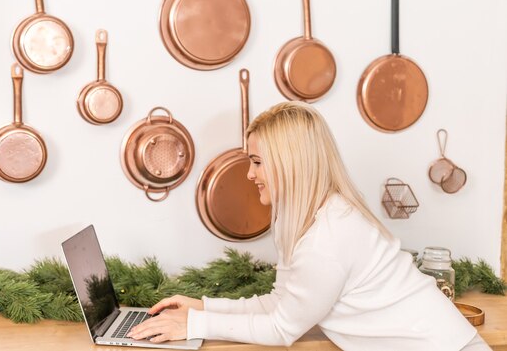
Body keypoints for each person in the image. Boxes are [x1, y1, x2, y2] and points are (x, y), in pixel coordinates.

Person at [128, 101, 490, 350]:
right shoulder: (304, 218)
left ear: (290, 163)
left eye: (257, 162)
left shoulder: (329, 233)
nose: (250, 174)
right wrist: (202, 307)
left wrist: (193, 326)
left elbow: (283, 327)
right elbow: (281, 303)